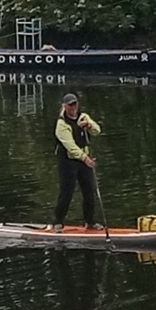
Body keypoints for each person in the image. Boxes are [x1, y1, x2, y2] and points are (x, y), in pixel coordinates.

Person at [52, 92, 103, 232]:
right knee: (67, 191)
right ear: (64, 106)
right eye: (70, 105)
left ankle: (90, 222)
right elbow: (71, 146)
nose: (73, 107)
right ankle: (58, 222)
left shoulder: (83, 116)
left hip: (83, 159)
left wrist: (89, 125)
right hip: (68, 161)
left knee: (89, 190)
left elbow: (97, 131)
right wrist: (85, 159)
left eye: (75, 104)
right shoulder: (61, 124)